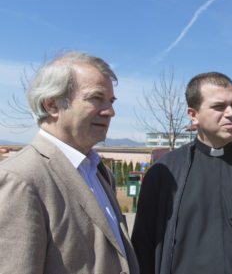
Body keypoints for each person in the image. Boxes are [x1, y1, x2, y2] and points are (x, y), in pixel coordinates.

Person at [131, 72, 232, 274]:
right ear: (193, 114)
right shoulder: (164, 173)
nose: (230, 113)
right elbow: (143, 247)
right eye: (219, 107)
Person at [0, 52, 139, 273]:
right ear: (52, 105)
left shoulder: (98, 172)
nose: (110, 112)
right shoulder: (20, 179)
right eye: (96, 98)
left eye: (111, 101)